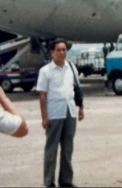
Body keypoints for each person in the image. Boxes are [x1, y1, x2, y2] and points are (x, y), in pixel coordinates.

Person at [37, 39, 85, 188]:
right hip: (54, 113)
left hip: (70, 112)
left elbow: (76, 89)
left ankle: (66, 181)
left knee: (68, 148)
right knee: (51, 149)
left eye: (64, 50)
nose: (62, 53)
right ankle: (49, 182)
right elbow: (42, 95)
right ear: (52, 52)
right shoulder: (45, 71)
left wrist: (81, 107)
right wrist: (44, 117)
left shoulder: (71, 68)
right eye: (59, 50)